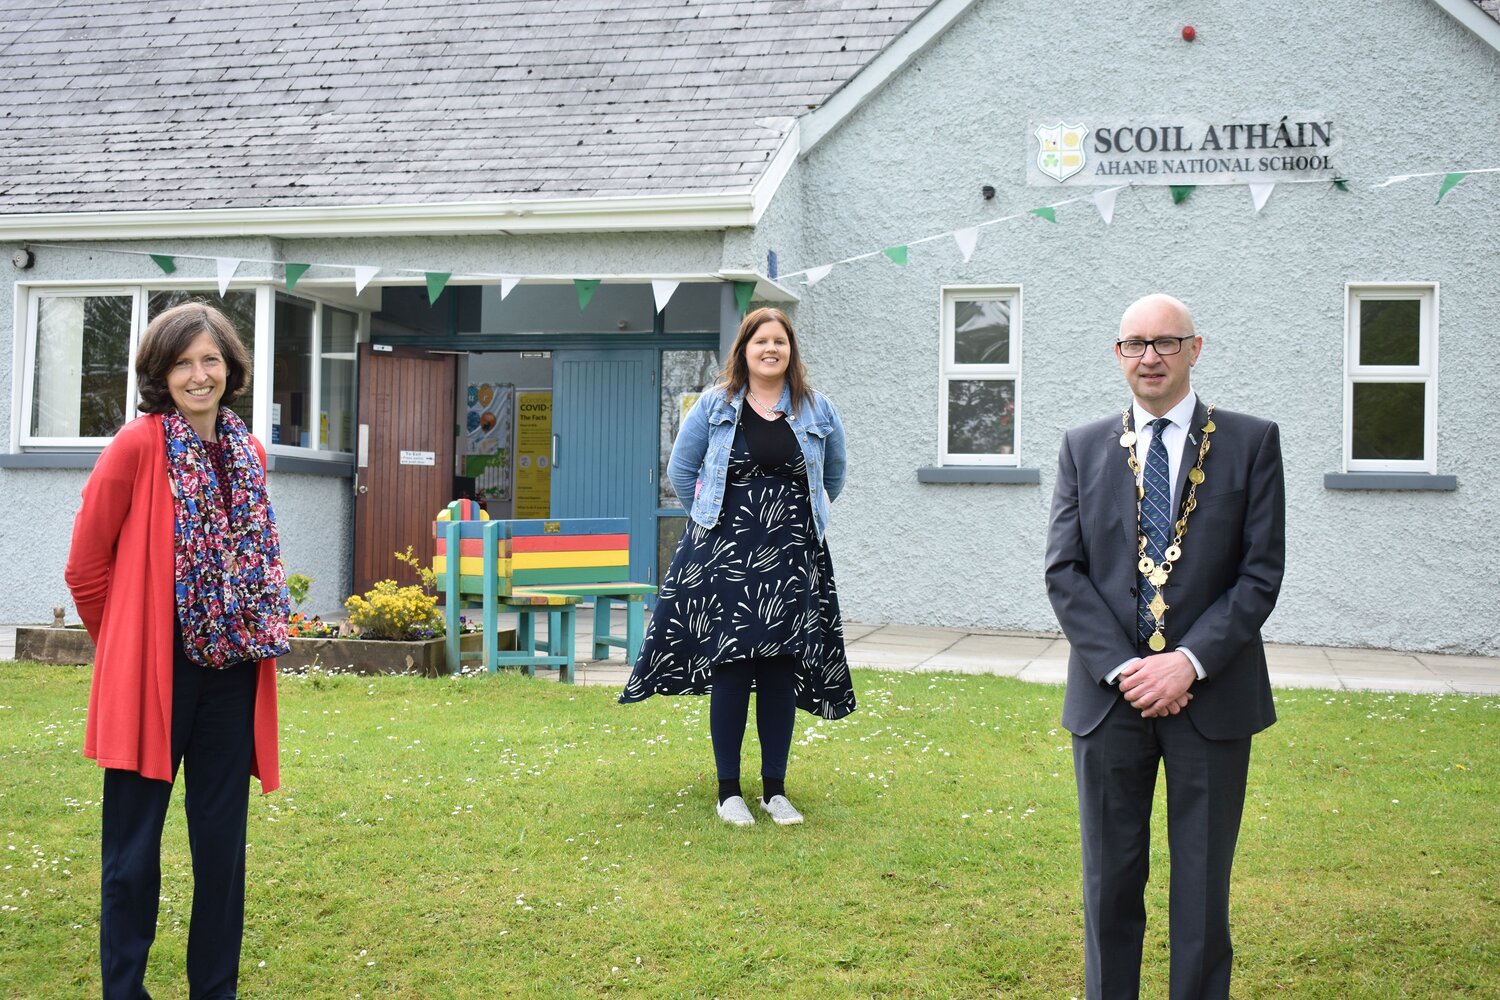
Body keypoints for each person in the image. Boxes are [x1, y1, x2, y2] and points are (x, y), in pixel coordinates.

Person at [1044, 293, 1285, 1000]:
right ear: (1118, 354)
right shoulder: (1083, 446)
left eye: (1165, 342)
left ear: (1195, 349)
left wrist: (1186, 662)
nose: (1150, 357)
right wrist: (1126, 669)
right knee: (1110, 881)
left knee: (1203, 888)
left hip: (1212, 696)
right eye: (1135, 344)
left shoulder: (1251, 440)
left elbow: (1260, 570)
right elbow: (1065, 571)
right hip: (1109, 699)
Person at [65, 301, 289, 999]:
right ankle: (124, 989)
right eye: (184, 362)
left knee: (221, 851)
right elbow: (86, 566)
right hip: (153, 675)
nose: (199, 375)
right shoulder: (137, 446)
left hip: (232, 671)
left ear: (231, 368)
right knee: (133, 854)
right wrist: (126, 649)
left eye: (211, 360)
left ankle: (213, 990)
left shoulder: (247, 451)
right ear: (161, 373)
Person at [621, 307, 854, 827]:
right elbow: (682, 471)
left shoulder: (818, 409)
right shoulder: (714, 404)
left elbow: (832, 475)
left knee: (779, 669)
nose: (771, 349)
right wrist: (714, 519)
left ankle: (775, 791)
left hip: (793, 556)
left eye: (780, 341)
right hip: (727, 553)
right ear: (744, 349)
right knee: (732, 666)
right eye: (761, 341)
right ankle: (729, 793)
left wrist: (796, 517)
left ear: (790, 351)